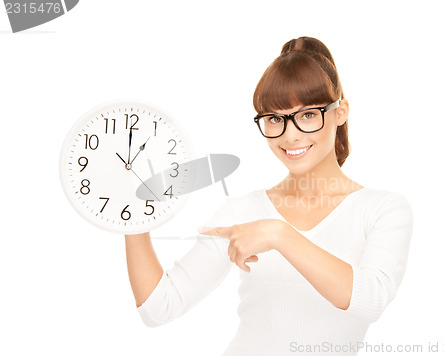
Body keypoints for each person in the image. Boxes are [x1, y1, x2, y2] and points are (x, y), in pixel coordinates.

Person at [124, 36, 414, 356]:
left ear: (340, 111)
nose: (290, 135)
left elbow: (369, 300)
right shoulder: (243, 211)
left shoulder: (383, 210)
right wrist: (133, 213)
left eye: (307, 114)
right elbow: (160, 308)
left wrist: (279, 234)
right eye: (275, 118)